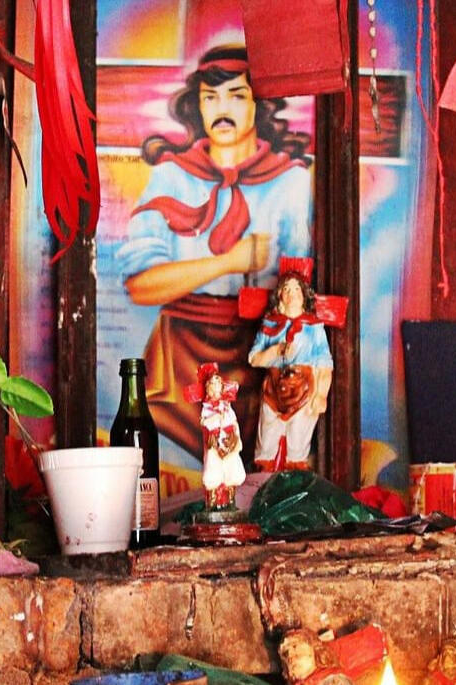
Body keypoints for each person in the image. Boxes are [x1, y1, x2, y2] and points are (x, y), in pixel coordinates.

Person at [115, 44, 313, 465]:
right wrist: (229, 262)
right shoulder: (170, 176)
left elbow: (304, 293)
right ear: (198, 106)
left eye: (236, 96)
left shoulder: (291, 182)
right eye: (210, 97)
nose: (222, 109)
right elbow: (140, 285)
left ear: (259, 105)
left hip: (257, 357)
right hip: (177, 365)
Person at [248, 259, 334, 471]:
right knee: (267, 440)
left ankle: (295, 477)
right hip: (274, 388)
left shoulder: (314, 328)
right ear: (279, 295)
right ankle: (265, 477)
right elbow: (253, 358)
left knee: (298, 440)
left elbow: (324, 364)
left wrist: (321, 394)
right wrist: (274, 351)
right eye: (286, 289)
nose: (292, 293)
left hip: (303, 388)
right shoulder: (270, 325)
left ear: (304, 295)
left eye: (297, 289)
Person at [184, 362, 246, 510]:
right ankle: (213, 500)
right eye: (212, 385)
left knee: (232, 469)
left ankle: (230, 498)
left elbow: (233, 422)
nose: (216, 387)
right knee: (213, 470)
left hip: (229, 442)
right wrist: (216, 420)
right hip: (214, 443)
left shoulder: (227, 407)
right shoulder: (207, 409)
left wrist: (235, 439)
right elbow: (205, 422)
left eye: (218, 384)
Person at [278, 629, 373, 685]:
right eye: (285, 653)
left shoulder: (334, 681)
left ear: (313, 649)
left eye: (295, 646)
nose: (290, 656)